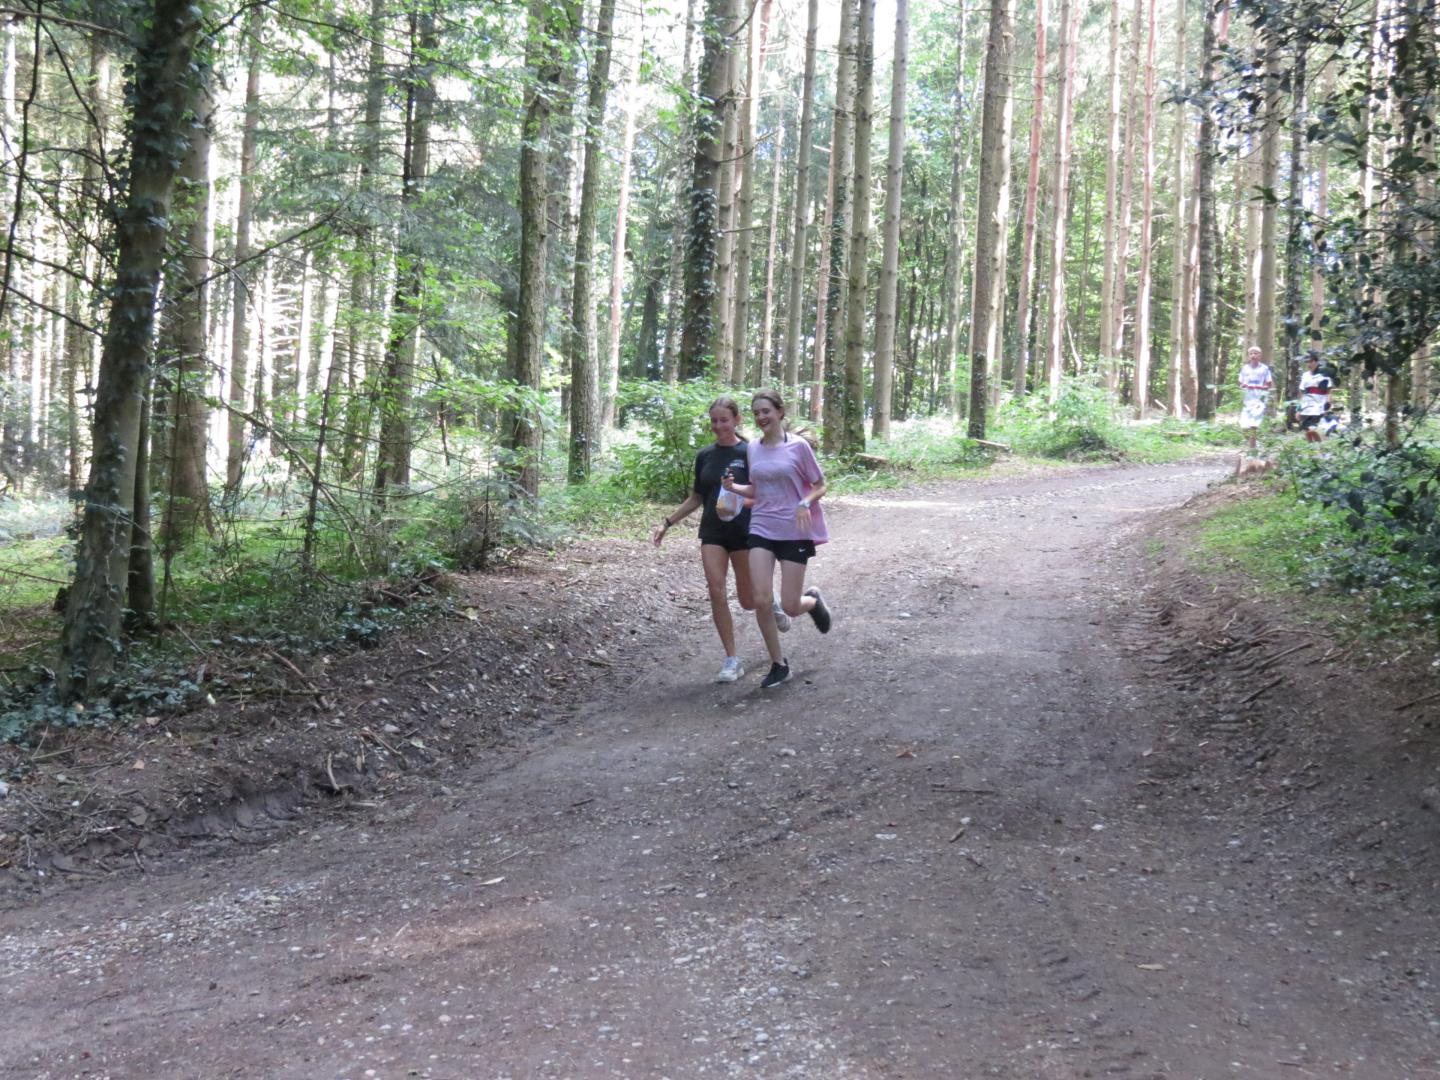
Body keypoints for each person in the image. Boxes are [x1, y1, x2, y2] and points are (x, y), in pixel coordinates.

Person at [652, 396, 789, 683]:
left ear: (737, 420)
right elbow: (697, 497)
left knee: (748, 601)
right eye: (714, 420)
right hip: (713, 532)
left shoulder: (750, 451)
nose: (718, 425)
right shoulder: (705, 455)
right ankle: (731, 659)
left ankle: (770, 600)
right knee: (716, 590)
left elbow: (762, 490)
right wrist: (667, 523)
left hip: (743, 530)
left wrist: (744, 501)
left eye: (724, 420)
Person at [721, 389, 832, 689]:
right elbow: (756, 489)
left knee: (791, 606)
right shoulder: (753, 448)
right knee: (761, 599)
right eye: (757, 413)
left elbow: (820, 484)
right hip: (762, 527)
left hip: (794, 529)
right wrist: (734, 488)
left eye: (766, 411)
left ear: (780, 412)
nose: (761, 417)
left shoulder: (798, 447)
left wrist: (805, 502)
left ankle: (813, 602)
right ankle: (778, 664)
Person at [1237, 345, 1274, 451]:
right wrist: (1244, 387)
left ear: (1260, 355)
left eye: (1256, 353)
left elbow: (1268, 384)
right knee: (1244, 425)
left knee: (1253, 425)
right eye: (1251, 353)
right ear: (1248, 355)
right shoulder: (1245, 368)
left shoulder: (1264, 369)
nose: (1253, 355)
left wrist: (1258, 387)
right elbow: (1240, 383)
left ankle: (1252, 449)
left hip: (1259, 400)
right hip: (1247, 399)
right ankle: (1252, 442)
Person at [1297, 351, 1333, 443]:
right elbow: (1302, 392)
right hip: (1306, 406)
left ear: (1316, 362)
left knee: (1314, 428)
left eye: (1311, 361)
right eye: (1307, 362)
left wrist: (1328, 403)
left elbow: (1329, 391)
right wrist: (1298, 408)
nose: (1309, 364)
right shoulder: (1305, 375)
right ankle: (1311, 448)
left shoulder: (1324, 375)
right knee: (1307, 430)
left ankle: (1319, 446)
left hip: (1319, 405)